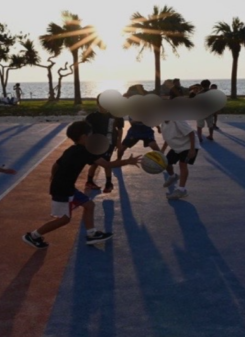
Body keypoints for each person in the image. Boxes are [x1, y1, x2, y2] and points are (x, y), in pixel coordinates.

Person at [22, 121, 141, 249]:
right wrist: (128, 161)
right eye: (91, 134)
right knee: (64, 219)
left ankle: (92, 234)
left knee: (89, 205)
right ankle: (33, 235)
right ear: (84, 137)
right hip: (63, 190)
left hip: (64, 186)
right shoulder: (86, 152)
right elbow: (107, 165)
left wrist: (53, 176)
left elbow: (56, 165)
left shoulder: (71, 149)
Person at [84, 95, 124, 193]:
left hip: (110, 143)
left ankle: (108, 183)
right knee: (95, 163)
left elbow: (120, 129)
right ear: (98, 103)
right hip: (96, 144)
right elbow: (86, 130)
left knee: (106, 162)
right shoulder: (92, 117)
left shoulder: (115, 115)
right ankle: (91, 181)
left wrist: (119, 142)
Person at [160, 118, 200, 200]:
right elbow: (168, 139)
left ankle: (182, 190)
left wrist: (192, 149)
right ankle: (173, 176)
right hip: (177, 146)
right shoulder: (163, 124)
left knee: (182, 165)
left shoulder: (177, 120)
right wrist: (162, 150)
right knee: (166, 163)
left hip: (188, 145)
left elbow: (191, 133)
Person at [117, 86, 160, 160]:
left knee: (156, 149)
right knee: (122, 148)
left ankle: (163, 162)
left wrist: (158, 127)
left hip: (146, 131)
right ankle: (118, 160)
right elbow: (132, 122)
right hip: (134, 131)